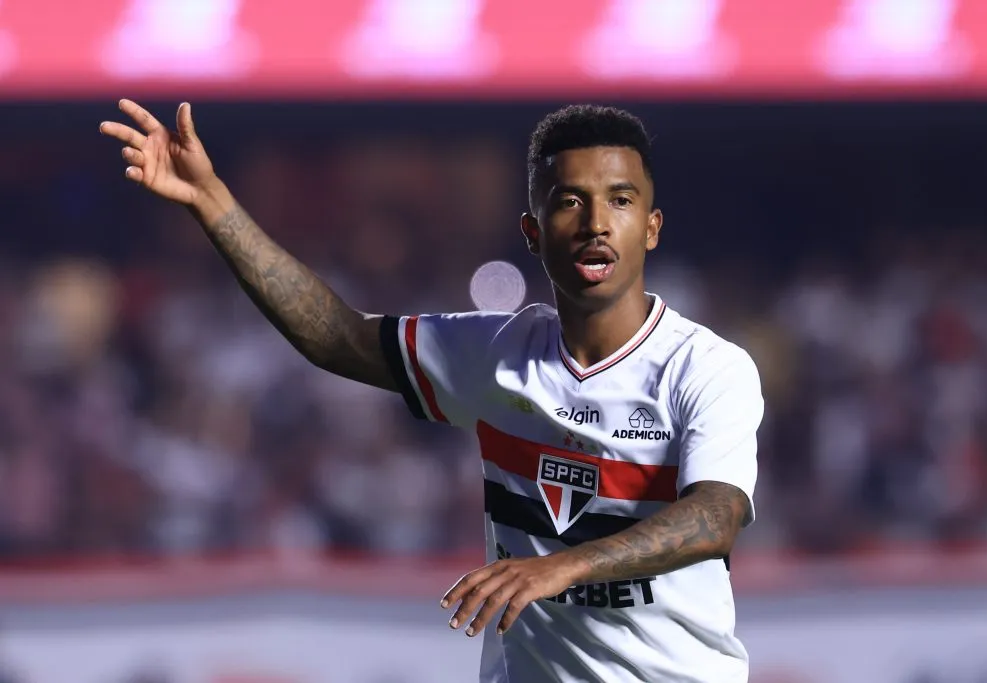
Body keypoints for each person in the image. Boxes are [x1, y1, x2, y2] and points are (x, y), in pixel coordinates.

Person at [100, 100, 764, 683]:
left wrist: (563, 566)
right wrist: (213, 202)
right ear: (533, 234)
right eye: (570, 200)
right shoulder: (495, 354)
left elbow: (715, 516)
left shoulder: (707, 368)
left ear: (651, 226)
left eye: (621, 200)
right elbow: (339, 337)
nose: (596, 222)